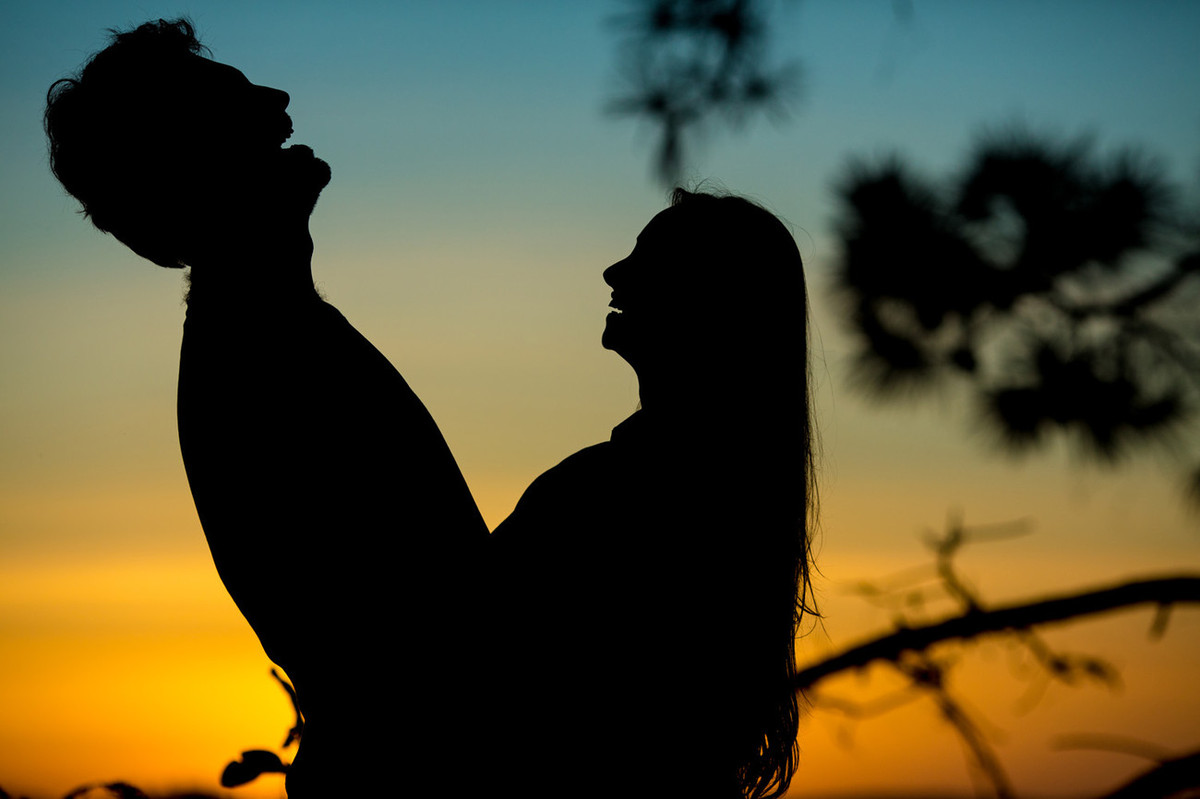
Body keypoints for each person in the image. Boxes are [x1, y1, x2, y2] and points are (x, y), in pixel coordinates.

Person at [45, 19, 489, 797]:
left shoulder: (267, 329)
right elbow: (410, 623)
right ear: (191, 157)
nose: (279, 100)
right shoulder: (259, 349)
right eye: (237, 97)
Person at [487, 188, 817, 798]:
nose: (614, 274)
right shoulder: (714, 494)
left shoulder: (612, 495)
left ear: (710, 301)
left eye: (648, 260)